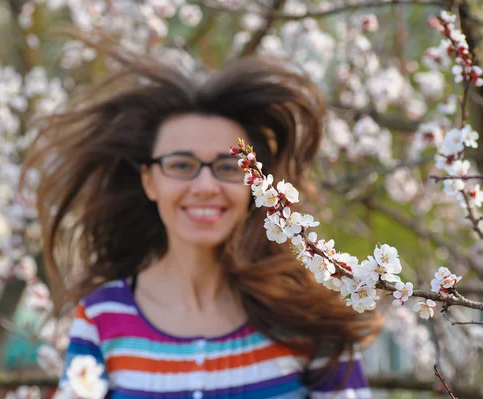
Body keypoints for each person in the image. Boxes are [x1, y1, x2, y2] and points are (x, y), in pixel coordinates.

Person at [22, 31, 382, 399]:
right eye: (181, 165)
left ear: (253, 185)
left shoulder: (309, 317)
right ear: (149, 181)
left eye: (228, 166)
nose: (206, 185)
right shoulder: (102, 318)